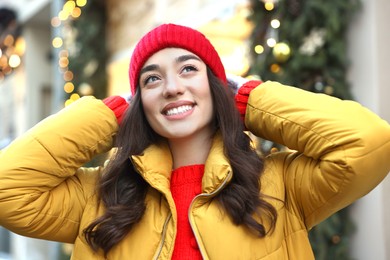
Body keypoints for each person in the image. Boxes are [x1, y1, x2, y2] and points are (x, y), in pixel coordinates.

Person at [0, 23, 389, 260]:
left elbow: (369, 142)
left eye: (189, 69)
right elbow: (7, 188)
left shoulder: (280, 185)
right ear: (141, 101)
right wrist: (113, 113)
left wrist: (248, 99)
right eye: (151, 79)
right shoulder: (101, 195)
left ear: (216, 85)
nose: (172, 87)